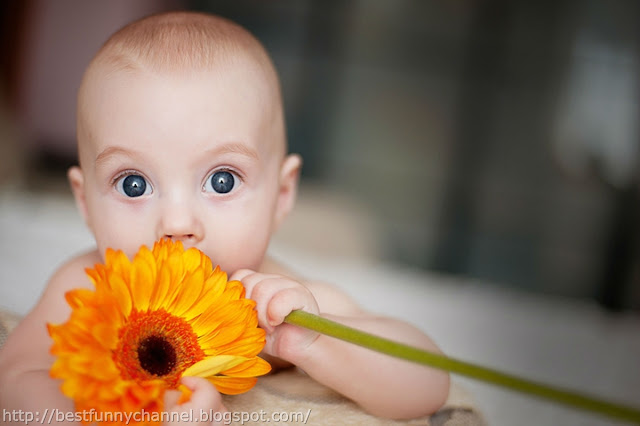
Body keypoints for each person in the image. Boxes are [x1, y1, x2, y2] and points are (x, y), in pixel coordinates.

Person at [0, 11, 449, 424]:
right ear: (84, 202)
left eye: (222, 181)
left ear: (282, 194)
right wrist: (120, 415)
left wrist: (313, 342)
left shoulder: (278, 305)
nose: (177, 222)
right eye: (133, 183)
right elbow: (14, 381)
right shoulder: (87, 290)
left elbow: (426, 383)